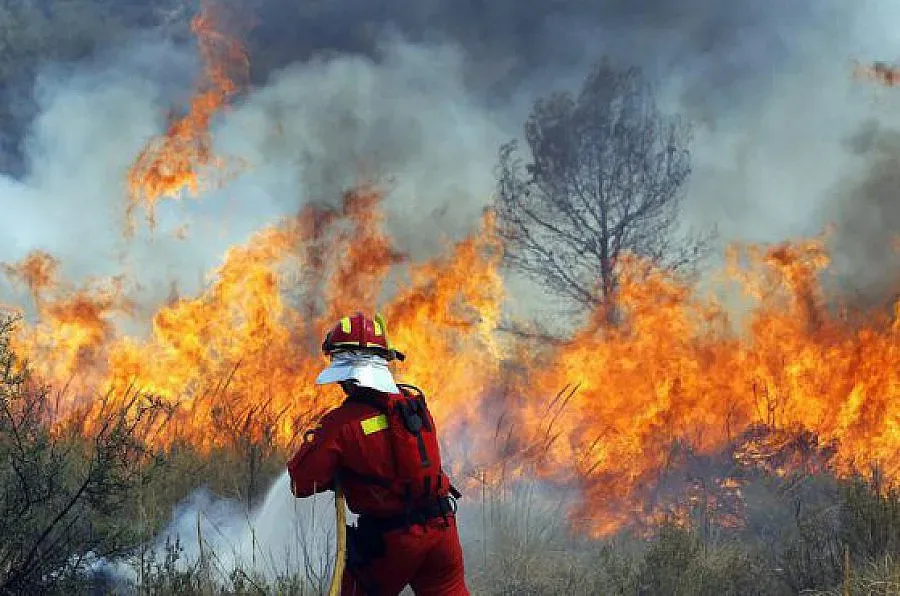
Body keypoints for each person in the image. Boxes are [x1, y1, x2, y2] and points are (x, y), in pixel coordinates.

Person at [287, 312, 469, 596]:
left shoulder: (341, 424)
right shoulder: (413, 405)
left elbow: (301, 482)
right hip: (442, 528)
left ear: (344, 374)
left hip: (392, 542)